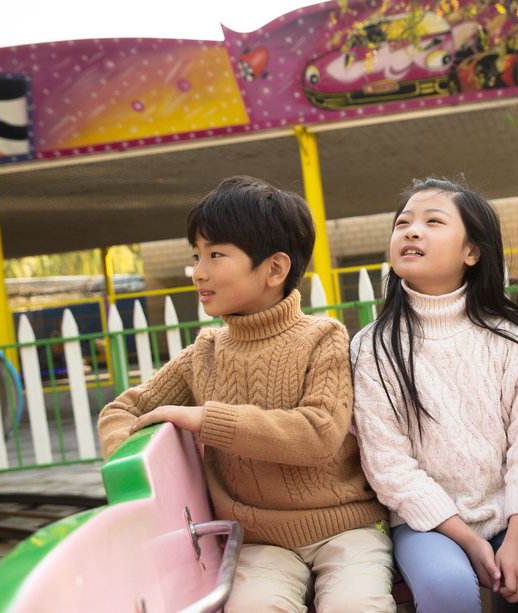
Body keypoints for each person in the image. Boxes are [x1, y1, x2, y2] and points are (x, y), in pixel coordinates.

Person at [97, 176, 395, 613]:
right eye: (196, 255)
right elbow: (121, 410)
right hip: (257, 540)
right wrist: (136, 475)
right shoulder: (204, 353)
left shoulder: (322, 337)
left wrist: (206, 419)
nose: (199, 271)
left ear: (275, 269)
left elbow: (319, 434)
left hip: (346, 527)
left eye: (215, 255)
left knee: (356, 605)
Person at [350, 179, 518, 613]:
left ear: (472, 252)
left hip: (514, 513)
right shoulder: (372, 348)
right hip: (429, 525)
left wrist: (517, 541)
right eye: (403, 223)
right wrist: (468, 539)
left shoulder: (512, 338)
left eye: (433, 222)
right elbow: (389, 465)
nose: (411, 230)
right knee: (449, 587)